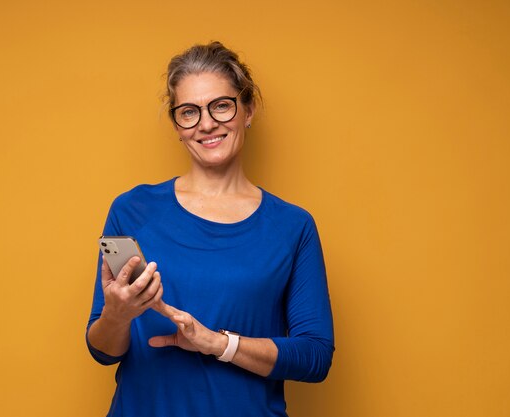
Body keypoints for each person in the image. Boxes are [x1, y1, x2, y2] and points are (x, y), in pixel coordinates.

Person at [86, 41, 334, 417]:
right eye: (189, 112)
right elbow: (102, 351)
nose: (206, 123)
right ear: (177, 126)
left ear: (247, 110)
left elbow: (315, 356)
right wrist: (117, 315)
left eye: (220, 105)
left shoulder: (292, 226)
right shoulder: (131, 210)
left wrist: (218, 344)